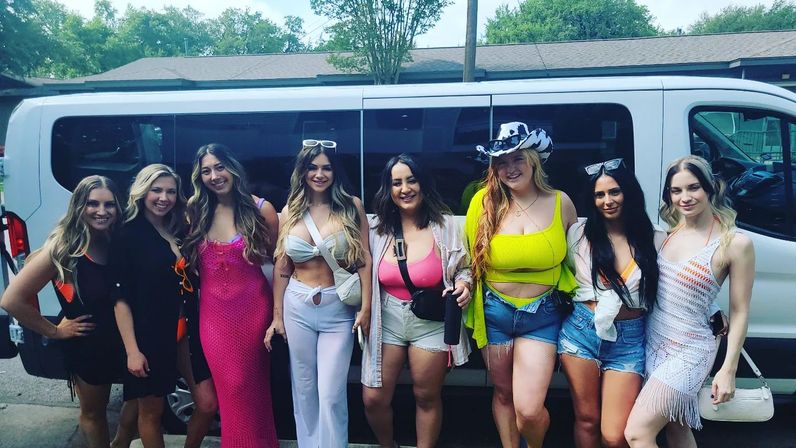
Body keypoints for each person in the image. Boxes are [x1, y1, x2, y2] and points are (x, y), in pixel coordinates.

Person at [625, 155, 755, 448]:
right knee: (677, 427)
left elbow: (741, 311)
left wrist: (728, 369)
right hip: (654, 341)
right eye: (676, 190)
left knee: (637, 433)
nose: (685, 197)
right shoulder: (665, 235)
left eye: (693, 187)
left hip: (691, 352)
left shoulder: (734, 243)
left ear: (710, 188)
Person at [465, 122, 577, 448]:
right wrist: (461, 285)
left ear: (533, 160)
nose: (510, 168)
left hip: (542, 316)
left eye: (517, 159)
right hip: (494, 311)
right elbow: (467, 261)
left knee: (528, 409)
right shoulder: (482, 204)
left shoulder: (561, 203)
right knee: (502, 394)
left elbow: (581, 258)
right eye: (502, 161)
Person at [0, 175, 129, 448]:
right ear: (78, 206)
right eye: (92, 204)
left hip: (122, 341)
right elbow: (12, 300)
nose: (102, 211)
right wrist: (55, 331)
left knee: (139, 403)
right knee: (95, 413)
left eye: (109, 205)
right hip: (88, 345)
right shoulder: (63, 249)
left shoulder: (115, 240)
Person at [265, 139, 371, 447]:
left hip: (337, 307)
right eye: (312, 167)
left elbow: (363, 259)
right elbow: (282, 269)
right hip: (297, 304)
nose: (319, 174)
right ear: (302, 171)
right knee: (304, 387)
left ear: (335, 171)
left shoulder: (351, 206)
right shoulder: (290, 211)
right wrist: (277, 317)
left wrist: (365, 308)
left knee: (331, 390)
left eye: (326, 167)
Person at [362, 154, 473, 448]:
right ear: (388, 189)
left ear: (423, 183)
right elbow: (360, 265)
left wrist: (464, 284)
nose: (405, 188)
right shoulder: (377, 228)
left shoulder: (446, 225)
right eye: (396, 183)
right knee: (374, 398)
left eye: (411, 180)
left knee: (425, 396)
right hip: (387, 319)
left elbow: (464, 267)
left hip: (431, 320)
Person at [559, 159, 664, 448]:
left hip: (629, 338)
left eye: (614, 192)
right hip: (581, 332)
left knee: (614, 434)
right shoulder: (578, 235)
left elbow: (678, 285)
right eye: (599, 195)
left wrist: (713, 312)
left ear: (628, 192)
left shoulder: (655, 239)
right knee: (587, 419)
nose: (607, 201)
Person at [182, 143, 280, 447]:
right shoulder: (195, 210)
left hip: (253, 312)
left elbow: (278, 266)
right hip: (213, 317)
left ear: (233, 168)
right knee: (231, 389)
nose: (214, 176)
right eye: (207, 170)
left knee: (252, 389)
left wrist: (277, 315)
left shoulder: (261, 209)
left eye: (219, 167)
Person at [112, 164, 191, 448]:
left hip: (178, 331)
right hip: (147, 335)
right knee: (152, 412)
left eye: (171, 191)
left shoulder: (175, 227)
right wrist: (133, 352)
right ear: (142, 192)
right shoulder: (127, 234)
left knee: (145, 404)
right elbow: (119, 300)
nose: (164, 197)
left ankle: (119, 442)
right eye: (156, 190)